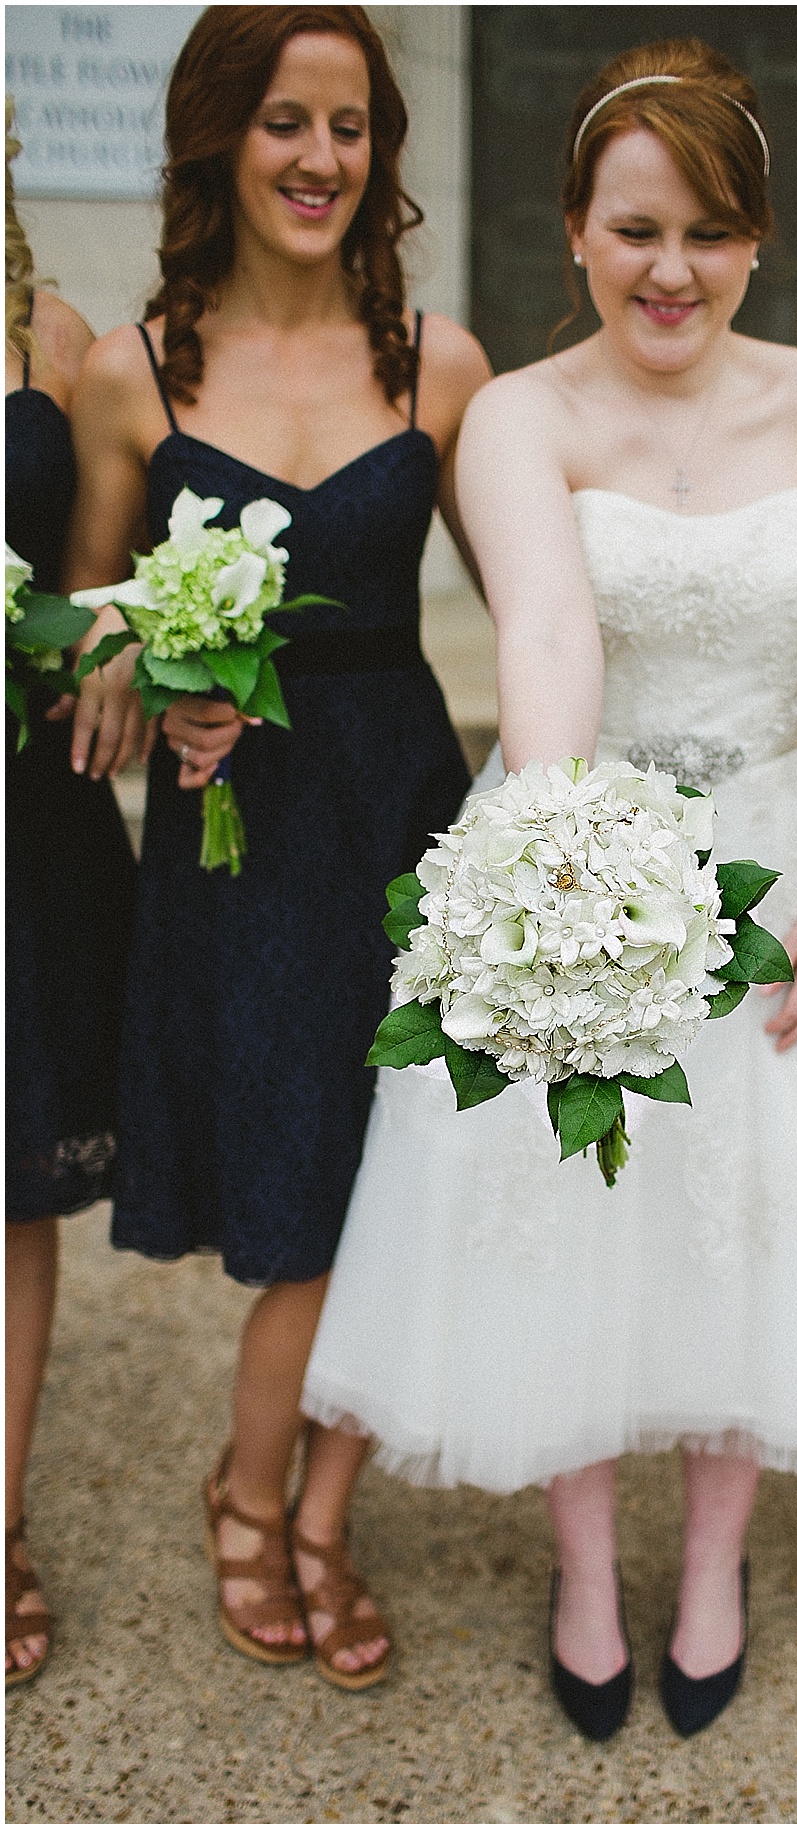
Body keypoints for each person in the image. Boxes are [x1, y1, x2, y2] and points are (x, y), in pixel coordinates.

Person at [297, 40, 797, 1740]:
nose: (670, 270)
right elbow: (548, 639)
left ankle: (711, 1565)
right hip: (586, 847)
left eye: (705, 232)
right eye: (634, 230)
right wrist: (563, 891)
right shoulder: (521, 416)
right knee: (568, 1227)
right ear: (574, 233)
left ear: (756, 238)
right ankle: (580, 1569)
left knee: (755, 1233)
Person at [64, 4, 491, 1693]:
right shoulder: (135, 367)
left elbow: (538, 594)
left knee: (395, 1179)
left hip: (396, 810)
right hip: (234, 832)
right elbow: (79, 632)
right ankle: (261, 1506)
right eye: (285, 124)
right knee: (305, 1193)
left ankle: (302, 1504)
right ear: (217, 141)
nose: (321, 159)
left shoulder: (435, 365)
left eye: (351, 126)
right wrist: (149, 674)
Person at [5, 104, 144, 1688]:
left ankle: (1, 1516)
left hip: (20, 822)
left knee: (12, 1177)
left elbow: (95, 574)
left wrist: (107, 644)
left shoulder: (51, 335)